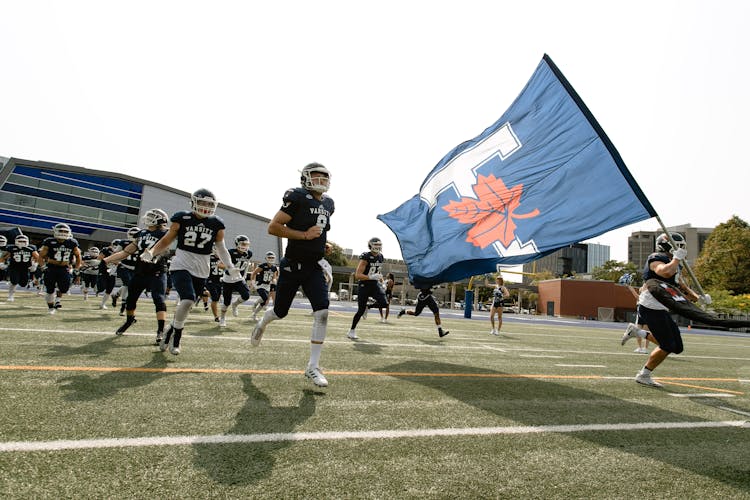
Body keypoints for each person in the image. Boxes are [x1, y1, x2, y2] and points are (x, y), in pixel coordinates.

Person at [251, 162, 334, 388]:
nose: (321, 181)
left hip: (314, 266)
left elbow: (320, 230)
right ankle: (263, 321)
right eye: (316, 177)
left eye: (324, 177)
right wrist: (305, 236)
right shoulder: (296, 196)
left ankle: (313, 366)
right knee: (280, 312)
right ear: (305, 178)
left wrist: (322, 245)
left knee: (323, 311)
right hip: (292, 265)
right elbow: (274, 227)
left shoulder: (328, 203)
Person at [141, 188, 240, 355]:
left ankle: (170, 330)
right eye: (202, 202)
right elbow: (167, 239)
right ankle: (177, 338)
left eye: (209, 204)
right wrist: (152, 251)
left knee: (188, 306)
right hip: (181, 264)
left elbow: (221, 248)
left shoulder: (217, 223)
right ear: (194, 202)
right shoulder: (182, 218)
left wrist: (230, 266)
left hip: (202, 268)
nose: (206, 206)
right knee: (187, 300)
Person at [103, 209, 170, 343]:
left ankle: (160, 330)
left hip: (157, 271)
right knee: (130, 299)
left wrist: (155, 255)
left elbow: (166, 249)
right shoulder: (142, 233)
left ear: (159, 219)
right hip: (140, 271)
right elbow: (125, 252)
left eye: (152, 216)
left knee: (159, 299)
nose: (148, 218)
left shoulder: (166, 232)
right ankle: (129, 320)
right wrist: (106, 260)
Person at [347, 237, 389, 340]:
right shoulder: (366, 256)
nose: (378, 247)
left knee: (384, 303)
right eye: (376, 245)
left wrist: (382, 281)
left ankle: (368, 307)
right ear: (370, 245)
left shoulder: (380, 257)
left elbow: (378, 272)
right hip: (364, 284)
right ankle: (351, 330)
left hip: (374, 284)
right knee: (360, 310)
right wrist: (370, 277)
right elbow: (358, 275)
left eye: (379, 245)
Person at [37, 223, 82, 314]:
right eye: (61, 231)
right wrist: (42, 266)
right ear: (55, 231)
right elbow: (40, 256)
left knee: (64, 288)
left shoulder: (72, 242)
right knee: (50, 290)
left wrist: (77, 268)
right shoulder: (49, 241)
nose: (63, 233)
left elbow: (78, 256)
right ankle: (51, 307)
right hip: (51, 267)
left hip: (64, 268)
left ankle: (57, 299)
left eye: (65, 231)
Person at [218, 235, 253, 327]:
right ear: (237, 243)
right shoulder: (230, 252)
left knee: (246, 295)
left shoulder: (249, 253)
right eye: (243, 244)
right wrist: (231, 268)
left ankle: (235, 304)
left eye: (246, 244)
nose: (245, 246)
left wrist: (244, 276)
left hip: (239, 278)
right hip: (228, 279)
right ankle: (222, 318)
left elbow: (247, 264)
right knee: (226, 302)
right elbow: (220, 264)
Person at [0, 234, 39, 302]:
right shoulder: (11, 248)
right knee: (14, 281)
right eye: (20, 241)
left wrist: (35, 265)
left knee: (23, 284)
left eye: (24, 241)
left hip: (25, 268)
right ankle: (10, 296)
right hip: (14, 267)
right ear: (16, 241)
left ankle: (13, 283)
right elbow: (3, 257)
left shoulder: (31, 248)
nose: (22, 243)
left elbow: (38, 258)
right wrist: (1, 263)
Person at [249, 251, 279, 321]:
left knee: (264, 302)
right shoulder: (262, 266)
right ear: (266, 258)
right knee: (265, 298)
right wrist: (253, 283)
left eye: (272, 257)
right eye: (269, 257)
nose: (271, 259)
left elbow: (274, 276)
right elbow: (254, 273)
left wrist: (274, 280)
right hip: (260, 285)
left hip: (268, 286)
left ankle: (254, 314)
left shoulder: (274, 268)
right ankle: (255, 304)